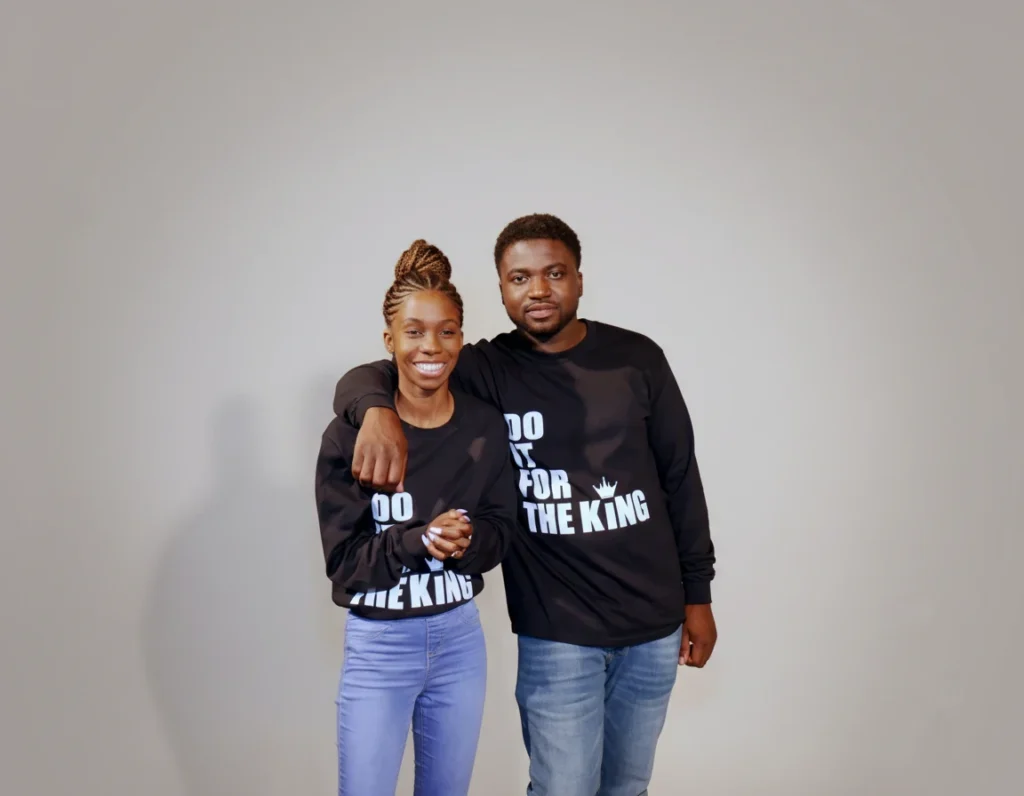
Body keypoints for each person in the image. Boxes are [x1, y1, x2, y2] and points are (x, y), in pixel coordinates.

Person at [332, 214, 719, 796]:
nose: (538, 290)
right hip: (556, 627)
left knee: (628, 789)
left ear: (580, 281)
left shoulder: (637, 360)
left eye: (554, 273)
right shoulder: (489, 369)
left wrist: (699, 595)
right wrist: (374, 409)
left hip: (655, 624)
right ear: (502, 290)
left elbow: (682, 479)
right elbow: (392, 367)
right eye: (520, 278)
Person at [314, 239, 518, 796]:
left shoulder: (483, 427)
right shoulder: (352, 435)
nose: (432, 344)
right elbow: (346, 566)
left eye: (447, 330)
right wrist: (416, 541)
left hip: (458, 641)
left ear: (461, 337)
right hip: (379, 648)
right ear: (390, 340)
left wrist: (469, 540)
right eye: (414, 330)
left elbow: (503, 532)